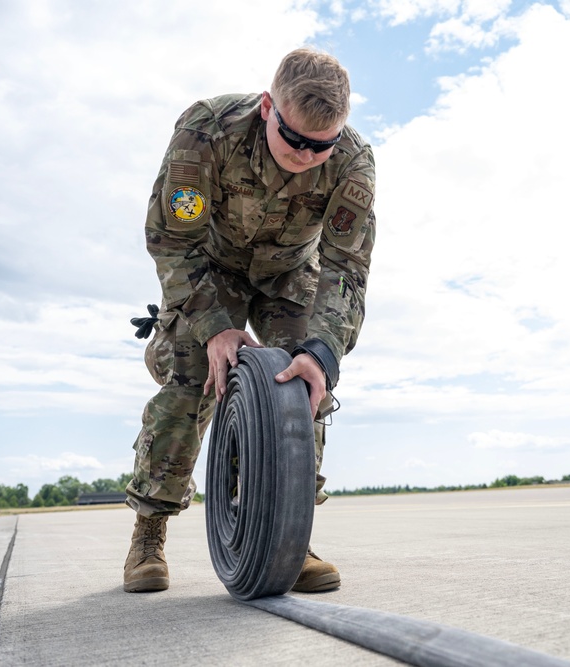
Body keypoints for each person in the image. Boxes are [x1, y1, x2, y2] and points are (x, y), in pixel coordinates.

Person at [123, 47, 376, 594]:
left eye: (323, 145)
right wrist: (213, 326)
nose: (310, 156)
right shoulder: (206, 132)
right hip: (210, 268)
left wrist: (323, 351)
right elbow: (172, 239)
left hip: (289, 273)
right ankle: (150, 529)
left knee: (301, 379)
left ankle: (288, 531)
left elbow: (346, 267)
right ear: (268, 107)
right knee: (194, 377)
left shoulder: (354, 161)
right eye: (297, 140)